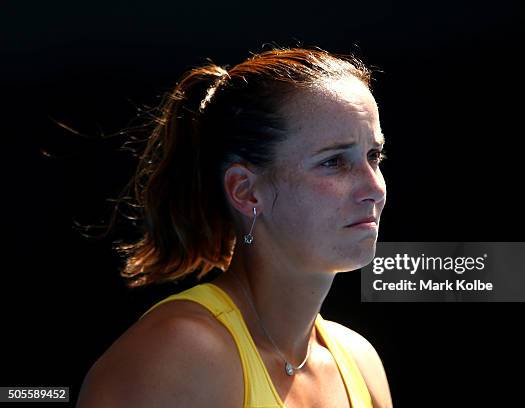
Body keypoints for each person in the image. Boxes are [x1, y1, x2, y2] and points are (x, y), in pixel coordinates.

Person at [76, 46, 393, 407]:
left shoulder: (360, 362)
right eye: (334, 161)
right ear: (245, 191)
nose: (374, 188)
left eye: (374, 156)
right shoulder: (179, 354)